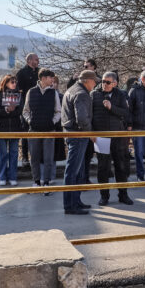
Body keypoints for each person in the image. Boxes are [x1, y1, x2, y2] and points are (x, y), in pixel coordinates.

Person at [91, 72, 133, 205]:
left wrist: (111, 107)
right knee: (103, 168)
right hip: (101, 137)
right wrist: (92, 134)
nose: (104, 84)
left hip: (118, 136)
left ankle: (123, 194)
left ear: (114, 83)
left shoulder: (120, 95)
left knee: (121, 166)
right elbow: (89, 115)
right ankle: (104, 196)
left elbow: (125, 113)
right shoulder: (94, 94)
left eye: (108, 82)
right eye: (103, 81)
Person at [61, 70, 98, 215]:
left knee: (76, 171)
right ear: (87, 80)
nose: (95, 84)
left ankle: (75, 201)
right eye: (94, 81)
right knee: (73, 171)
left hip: (72, 133)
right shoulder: (82, 94)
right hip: (78, 135)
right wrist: (90, 133)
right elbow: (82, 119)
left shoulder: (71, 89)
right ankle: (70, 205)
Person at [23, 69, 61, 189]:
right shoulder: (31, 92)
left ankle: (46, 182)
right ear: (43, 78)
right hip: (34, 131)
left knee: (48, 158)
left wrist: (52, 122)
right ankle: (36, 181)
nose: (52, 80)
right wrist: (30, 121)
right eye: (50, 78)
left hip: (49, 131)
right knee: (34, 157)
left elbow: (58, 111)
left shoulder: (53, 93)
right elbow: (25, 111)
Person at [0, 75, 24, 186]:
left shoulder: (19, 95)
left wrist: (12, 111)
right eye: (12, 82)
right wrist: (6, 110)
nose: (14, 83)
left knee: (14, 153)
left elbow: (21, 110)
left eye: (15, 81)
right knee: (3, 153)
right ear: (6, 83)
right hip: (2, 128)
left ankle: (13, 176)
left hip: (15, 127)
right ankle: (2, 177)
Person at [16, 53, 41, 162]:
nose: (38, 61)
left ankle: (37, 156)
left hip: (39, 107)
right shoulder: (21, 73)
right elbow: (18, 91)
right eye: (36, 59)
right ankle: (25, 157)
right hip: (26, 107)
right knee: (26, 132)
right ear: (29, 60)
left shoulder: (40, 73)